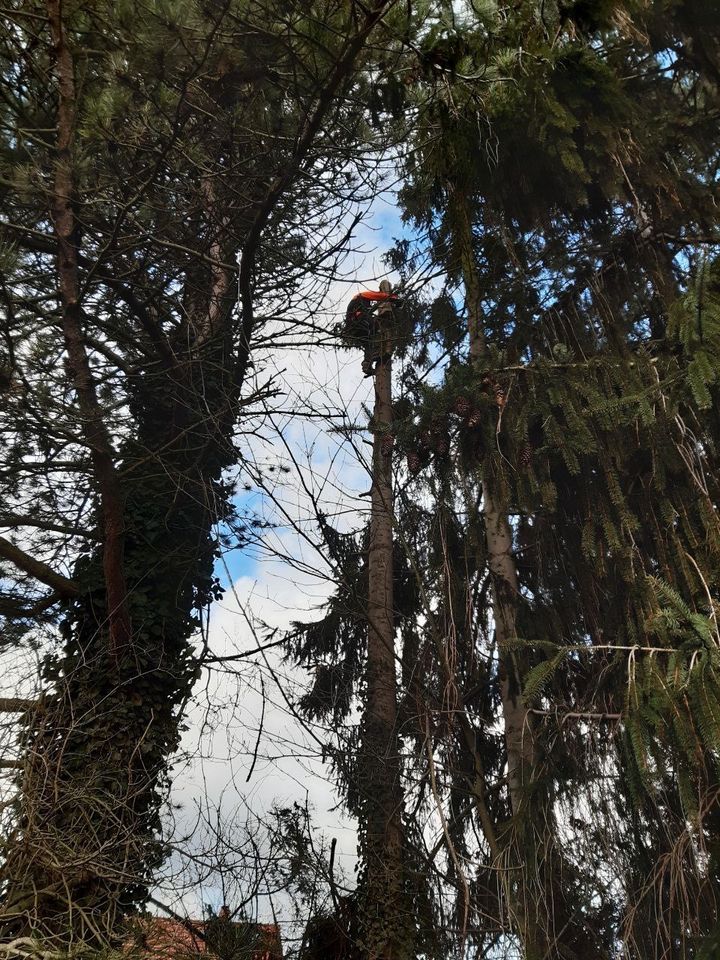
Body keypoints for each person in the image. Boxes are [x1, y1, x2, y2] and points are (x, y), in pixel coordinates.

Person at [344, 289, 398, 376]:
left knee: (368, 344)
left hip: (354, 328)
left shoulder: (355, 304)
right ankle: (377, 353)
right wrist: (393, 298)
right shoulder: (362, 295)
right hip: (360, 321)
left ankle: (367, 365)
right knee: (376, 327)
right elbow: (378, 296)